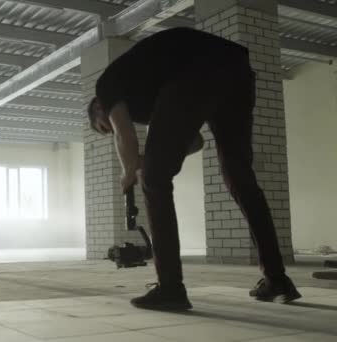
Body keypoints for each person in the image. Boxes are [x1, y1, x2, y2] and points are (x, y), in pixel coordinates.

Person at [87, 27, 301, 311]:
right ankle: (277, 280)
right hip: (236, 70)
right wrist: (148, 160)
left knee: (153, 180)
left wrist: (130, 172)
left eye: (104, 126)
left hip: (195, 69)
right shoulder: (149, 94)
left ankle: (170, 289)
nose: (110, 128)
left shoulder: (107, 87)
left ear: (99, 109)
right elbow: (194, 141)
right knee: (240, 179)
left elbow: (123, 135)